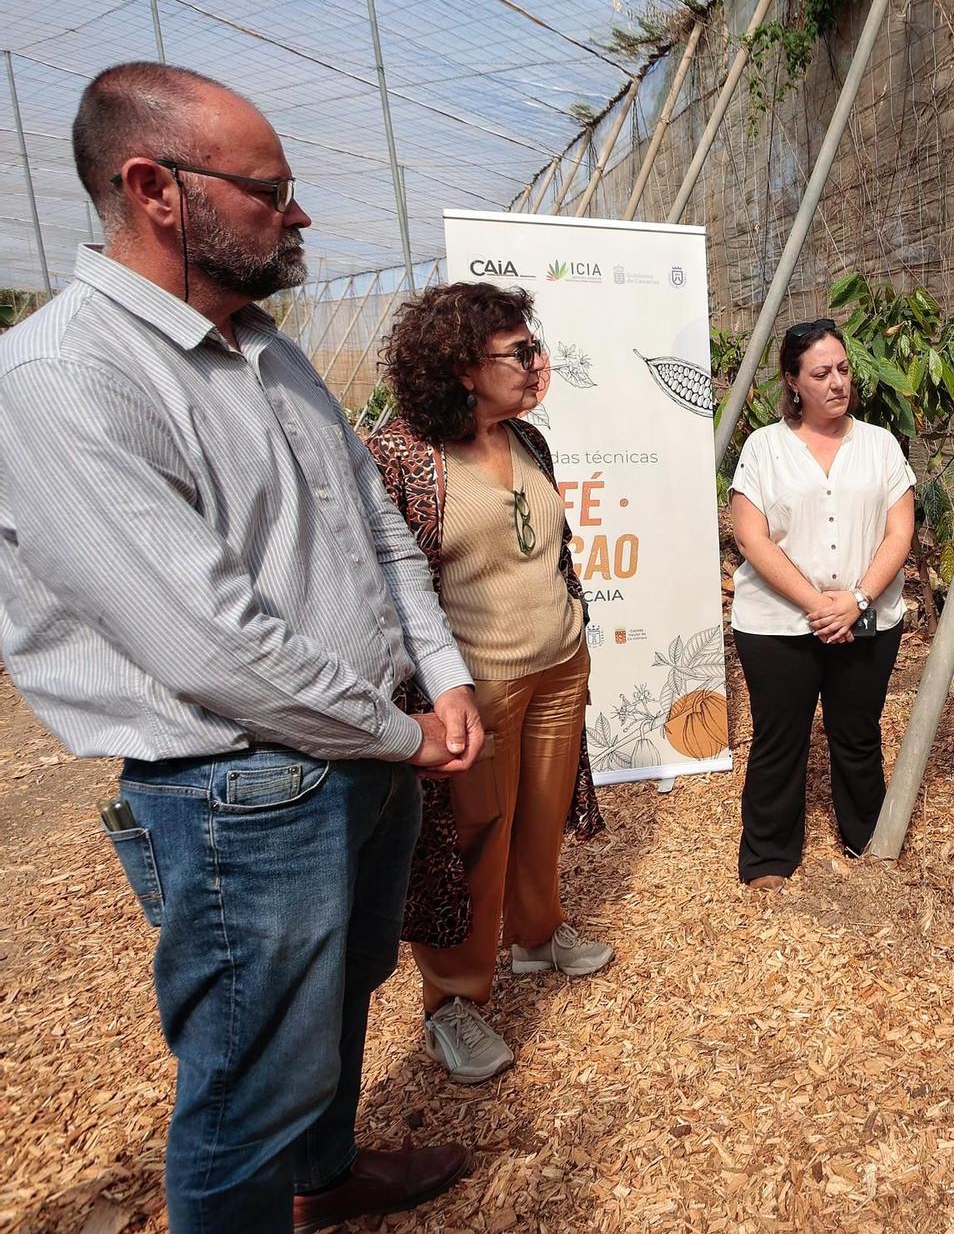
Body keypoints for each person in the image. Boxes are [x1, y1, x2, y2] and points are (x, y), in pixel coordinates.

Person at [0, 63, 482, 1232]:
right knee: (242, 1090)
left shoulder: (269, 345)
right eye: (269, 189)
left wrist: (445, 675)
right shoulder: (65, 376)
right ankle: (276, 1176)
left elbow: (375, 527)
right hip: (240, 789)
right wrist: (400, 728)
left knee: (342, 996)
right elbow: (212, 642)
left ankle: (323, 1176)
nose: (299, 212)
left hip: (368, 747)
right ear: (155, 188)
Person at [366, 282, 611, 1086]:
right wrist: (428, 694)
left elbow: (548, 551)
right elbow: (389, 588)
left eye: (533, 345)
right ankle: (453, 999)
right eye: (520, 351)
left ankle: (537, 934)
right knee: (469, 842)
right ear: (464, 367)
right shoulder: (402, 454)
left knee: (540, 818)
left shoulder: (528, 439)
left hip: (558, 666)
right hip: (475, 687)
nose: (538, 362)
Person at [728, 319, 915, 888]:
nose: (837, 383)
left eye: (842, 369)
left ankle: (867, 838)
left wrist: (856, 601)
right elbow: (750, 536)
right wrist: (818, 604)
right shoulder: (764, 447)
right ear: (792, 381)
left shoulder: (880, 444)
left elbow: (899, 531)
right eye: (820, 373)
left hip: (868, 618)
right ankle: (768, 857)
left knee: (857, 734)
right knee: (779, 738)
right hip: (778, 623)